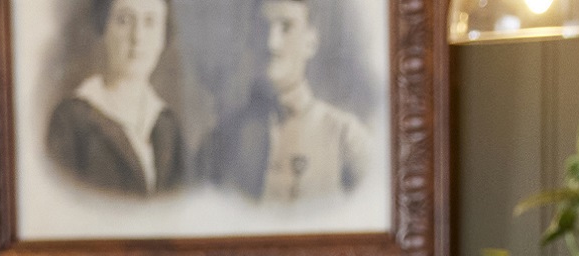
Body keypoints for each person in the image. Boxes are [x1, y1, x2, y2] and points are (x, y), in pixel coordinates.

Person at [194, 0, 374, 207]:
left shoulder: (348, 139)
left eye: (286, 27)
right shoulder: (219, 141)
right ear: (251, 39)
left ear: (311, 43)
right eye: (262, 27)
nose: (272, 43)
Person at [45, 0, 182, 197]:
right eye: (124, 20)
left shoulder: (168, 125)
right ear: (104, 28)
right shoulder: (71, 121)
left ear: (163, 35)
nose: (138, 37)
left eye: (150, 22)